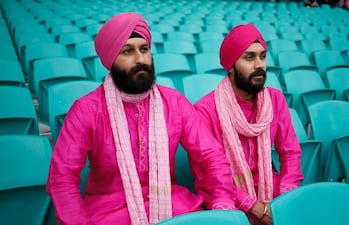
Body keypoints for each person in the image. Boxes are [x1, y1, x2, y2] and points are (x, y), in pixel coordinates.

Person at [46, 12, 236, 225]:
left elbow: (211, 156)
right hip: (108, 214)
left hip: (174, 208)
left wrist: (222, 203)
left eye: (144, 50)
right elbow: (62, 178)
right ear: (111, 60)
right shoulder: (86, 110)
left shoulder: (174, 102)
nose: (140, 59)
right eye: (128, 51)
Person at [194, 24, 304, 225]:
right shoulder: (206, 111)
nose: (259, 65)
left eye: (262, 56)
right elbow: (211, 175)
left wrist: (284, 198)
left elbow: (290, 153)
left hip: (269, 187)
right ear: (231, 66)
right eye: (249, 57)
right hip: (227, 193)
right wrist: (256, 208)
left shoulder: (275, 100)